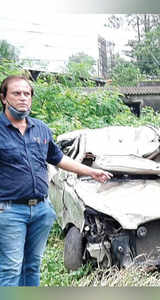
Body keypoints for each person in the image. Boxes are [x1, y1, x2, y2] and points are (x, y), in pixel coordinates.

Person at [0, 75, 113, 286]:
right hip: (9, 211)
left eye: (27, 94)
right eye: (16, 93)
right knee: (11, 267)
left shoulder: (40, 129)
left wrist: (91, 172)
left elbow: (58, 158)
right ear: (4, 98)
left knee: (32, 265)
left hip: (41, 210)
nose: (23, 98)